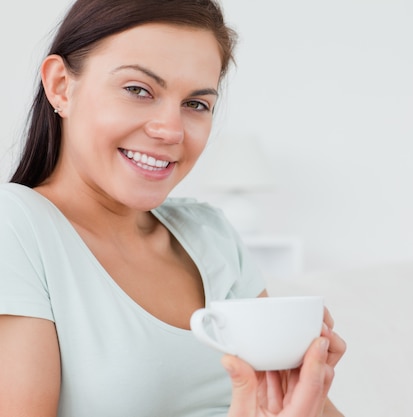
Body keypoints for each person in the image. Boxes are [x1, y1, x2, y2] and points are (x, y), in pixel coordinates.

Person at [0, 0, 346, 416]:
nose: (171, 130)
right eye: (137, 90)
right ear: (60, 85)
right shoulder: (17, 227)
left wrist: (302, 395)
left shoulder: (210, 234)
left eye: (196, 104)